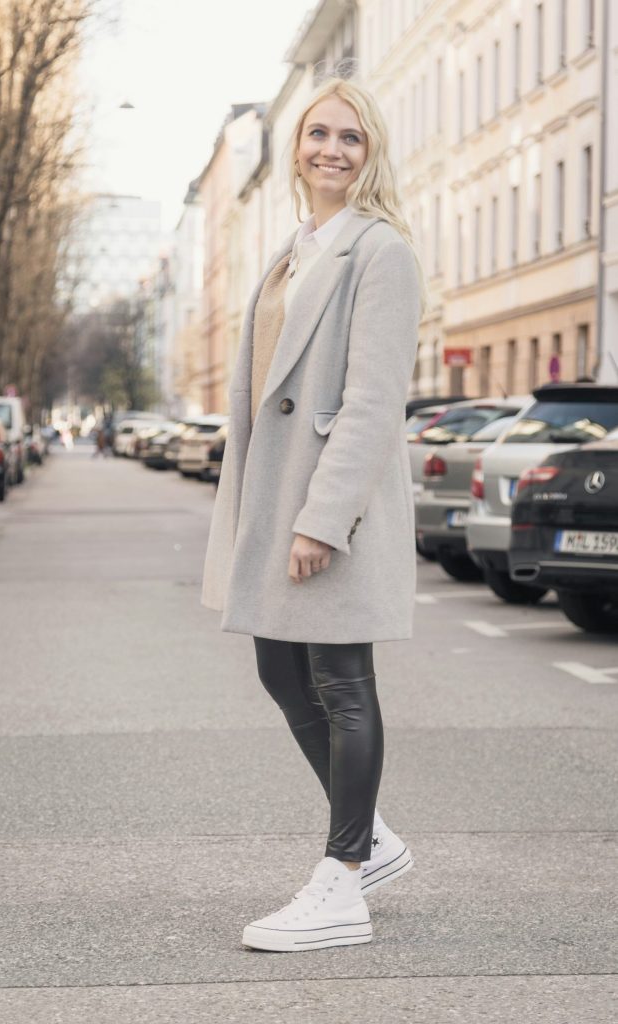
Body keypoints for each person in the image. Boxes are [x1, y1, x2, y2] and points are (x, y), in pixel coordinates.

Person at [201, 76, 431, 952]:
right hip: (277, 495)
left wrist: (320, 520)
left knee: (340, 682)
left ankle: (341, 881)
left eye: (351, 138)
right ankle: (368, 838)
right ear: (296, 148)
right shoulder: (294, 250)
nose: (331, 149)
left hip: (331, 506)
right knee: (277, 672)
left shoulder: (380, 251)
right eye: (317, 134)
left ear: (370, 153)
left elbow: (374, 403)